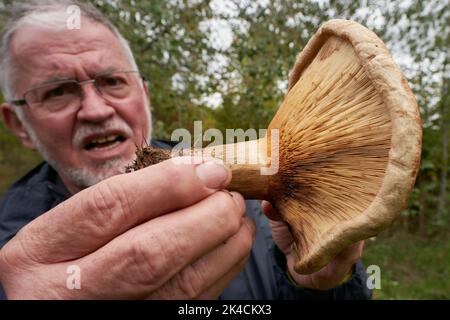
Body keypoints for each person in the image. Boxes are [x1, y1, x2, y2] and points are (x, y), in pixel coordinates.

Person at [0, 0, 371, 300]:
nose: (96, 110)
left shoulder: (256, 202)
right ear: (19, 125)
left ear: (144, 96)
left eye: (112, 81)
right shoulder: (9, 259)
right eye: (57, 91)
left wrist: (316, 287)